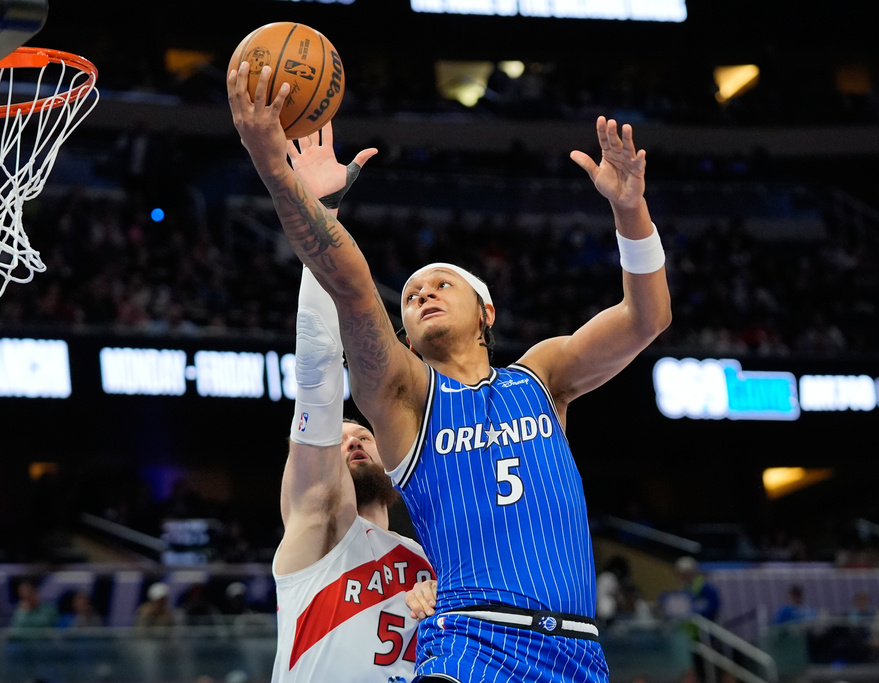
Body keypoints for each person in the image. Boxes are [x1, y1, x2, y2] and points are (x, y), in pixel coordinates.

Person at [229, 60, 671, 682]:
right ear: (404, 334)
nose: (422, 294)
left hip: (577, 653)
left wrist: (631, 212)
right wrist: (279, 174)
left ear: (486, 311)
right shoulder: (404, 396)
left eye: (442, 284)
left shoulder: (541, 377)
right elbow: (350, 287)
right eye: (411, 295)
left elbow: (646, 318)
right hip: (471, 645)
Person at [270, 126, 435, 682]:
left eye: (363, 434)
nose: (354, 439)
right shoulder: (317, 525)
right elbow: (318, 370)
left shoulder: (434, 563)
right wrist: (323, 214)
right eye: (338, 440)